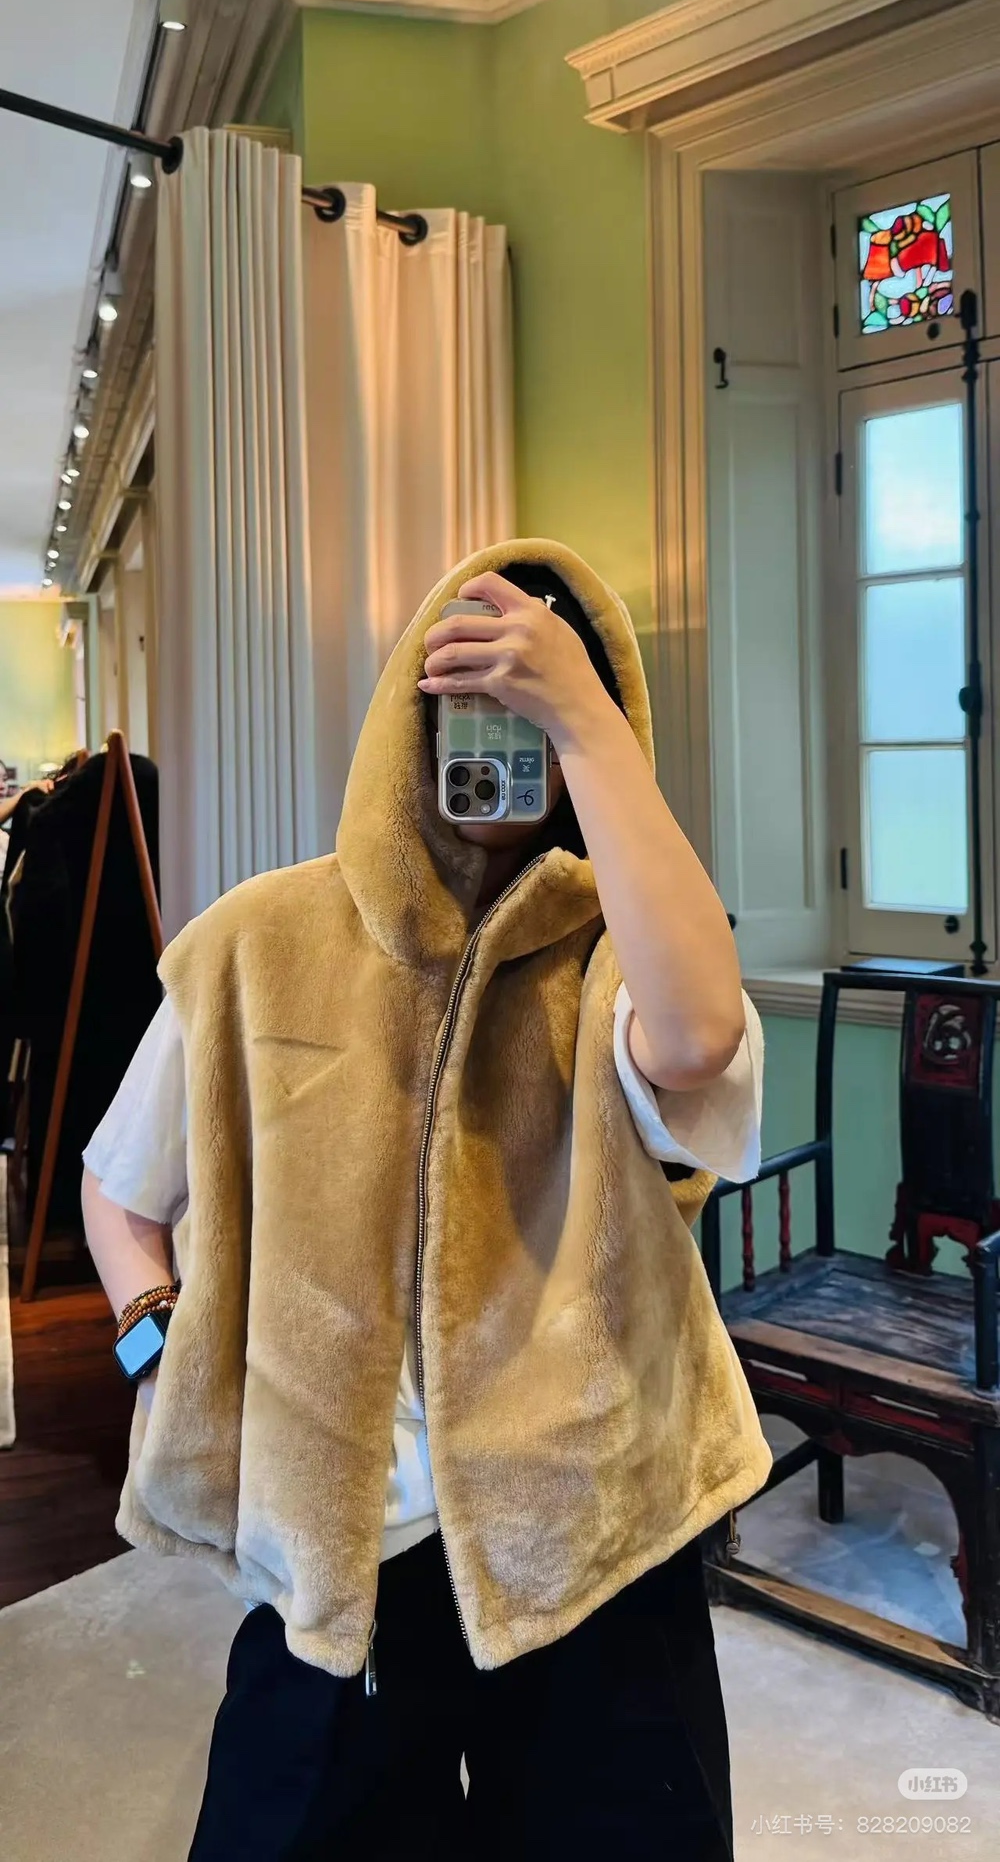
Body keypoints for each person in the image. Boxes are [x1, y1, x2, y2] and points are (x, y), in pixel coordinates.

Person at [82, 540, 771, 1861]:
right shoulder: (258, 944)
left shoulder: (621, 954)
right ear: (411, 709)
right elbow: (118, 1192)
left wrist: (589, 722)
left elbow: (693, 1042)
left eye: (536, 717)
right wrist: (155, 1349)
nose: (501, 746)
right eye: (473, 705)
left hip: (596, 1543)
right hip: (342, 1555)